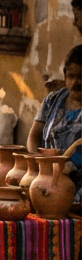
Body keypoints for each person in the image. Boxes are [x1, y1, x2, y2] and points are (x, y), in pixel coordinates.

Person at [29, 45, 82, 182]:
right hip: (46, 174)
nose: (76, 82)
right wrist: (39, 160)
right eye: (71, 76)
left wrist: (67, 164)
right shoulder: (52, 100)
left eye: (81, 77)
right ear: (65, 75)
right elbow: (34, 136)